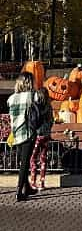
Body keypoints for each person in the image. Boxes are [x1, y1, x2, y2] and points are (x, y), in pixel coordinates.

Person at [7, 73, 37, 202]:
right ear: (29, 82)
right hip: (28, 132)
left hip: (16, 133)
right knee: (25, 164)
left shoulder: (11, 98)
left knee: (23, 161)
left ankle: (27, 187)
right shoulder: (32, 96)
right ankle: (19, 191)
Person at [30, 88, 53, 191]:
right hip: (46, 135)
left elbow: (33, 120)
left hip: (37, 135)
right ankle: (41, 182)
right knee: (43, 158)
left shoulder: (36, 106)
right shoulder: (49, 107)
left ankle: (33, 181)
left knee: (33, 158)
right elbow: (51, 121)